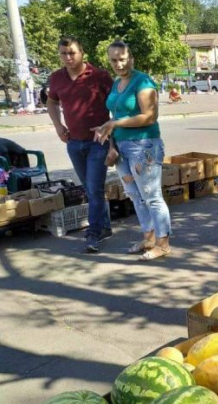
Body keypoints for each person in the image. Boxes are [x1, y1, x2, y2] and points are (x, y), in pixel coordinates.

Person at [93, 40, 172, 261]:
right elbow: (115, 116)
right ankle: (148, 239)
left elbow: (149, 116)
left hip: (143, 146)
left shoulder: (143, 81)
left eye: (122, 58)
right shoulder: (117, 82)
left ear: (131, 58)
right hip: (120, 147)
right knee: (136, 196)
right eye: (113, 60)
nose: (118, 63)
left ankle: (163, 244)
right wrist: (108, 133)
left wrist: (115, 125)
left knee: (152, 197)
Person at [47, 36, 114, 254]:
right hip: (74, 143)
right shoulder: (57, 78)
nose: (68, 57)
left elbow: (117, 104)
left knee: (94, 189)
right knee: (90, 189)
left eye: (72, 53)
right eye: (63, 53)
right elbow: (52, 102)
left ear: (82, 52)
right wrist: (58, 126)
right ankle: (104, 227)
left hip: (98, 142)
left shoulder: (99, 76)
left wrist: (112, 134)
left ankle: (93, 234)